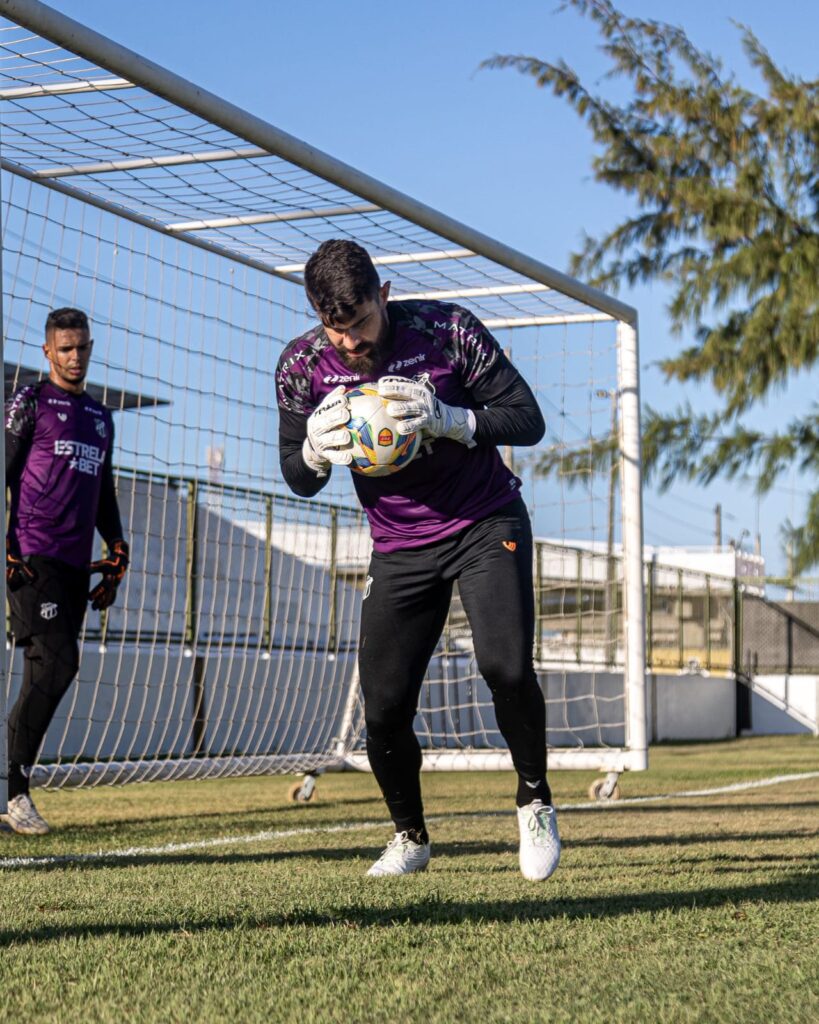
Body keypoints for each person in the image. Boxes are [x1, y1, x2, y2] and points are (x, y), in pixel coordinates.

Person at [276, 239, 560, 881]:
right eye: (335, 329)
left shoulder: (449, 330)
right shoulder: (301, 367)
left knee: (505, 667)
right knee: (383, 708)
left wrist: (452, 419)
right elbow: (296, 472)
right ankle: (410, 837)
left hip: (485, 520)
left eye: (362, 324)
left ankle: (534, 800)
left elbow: (528, 419)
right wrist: (316, 455)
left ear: (384, 295)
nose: (350, 342)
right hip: (399, 545)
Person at [2, 308, 129, 835]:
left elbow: (103, 491)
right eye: (65, 349)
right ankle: (13, 790)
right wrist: (7, 544)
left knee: (46, 671)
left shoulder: (101, 417)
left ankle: (11, 792)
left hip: (77, 563)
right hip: (33, 555)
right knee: (56, 663)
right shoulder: (28, 402)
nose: (75, 357)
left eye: (82, 348)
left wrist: (118, 547)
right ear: (48, 353)